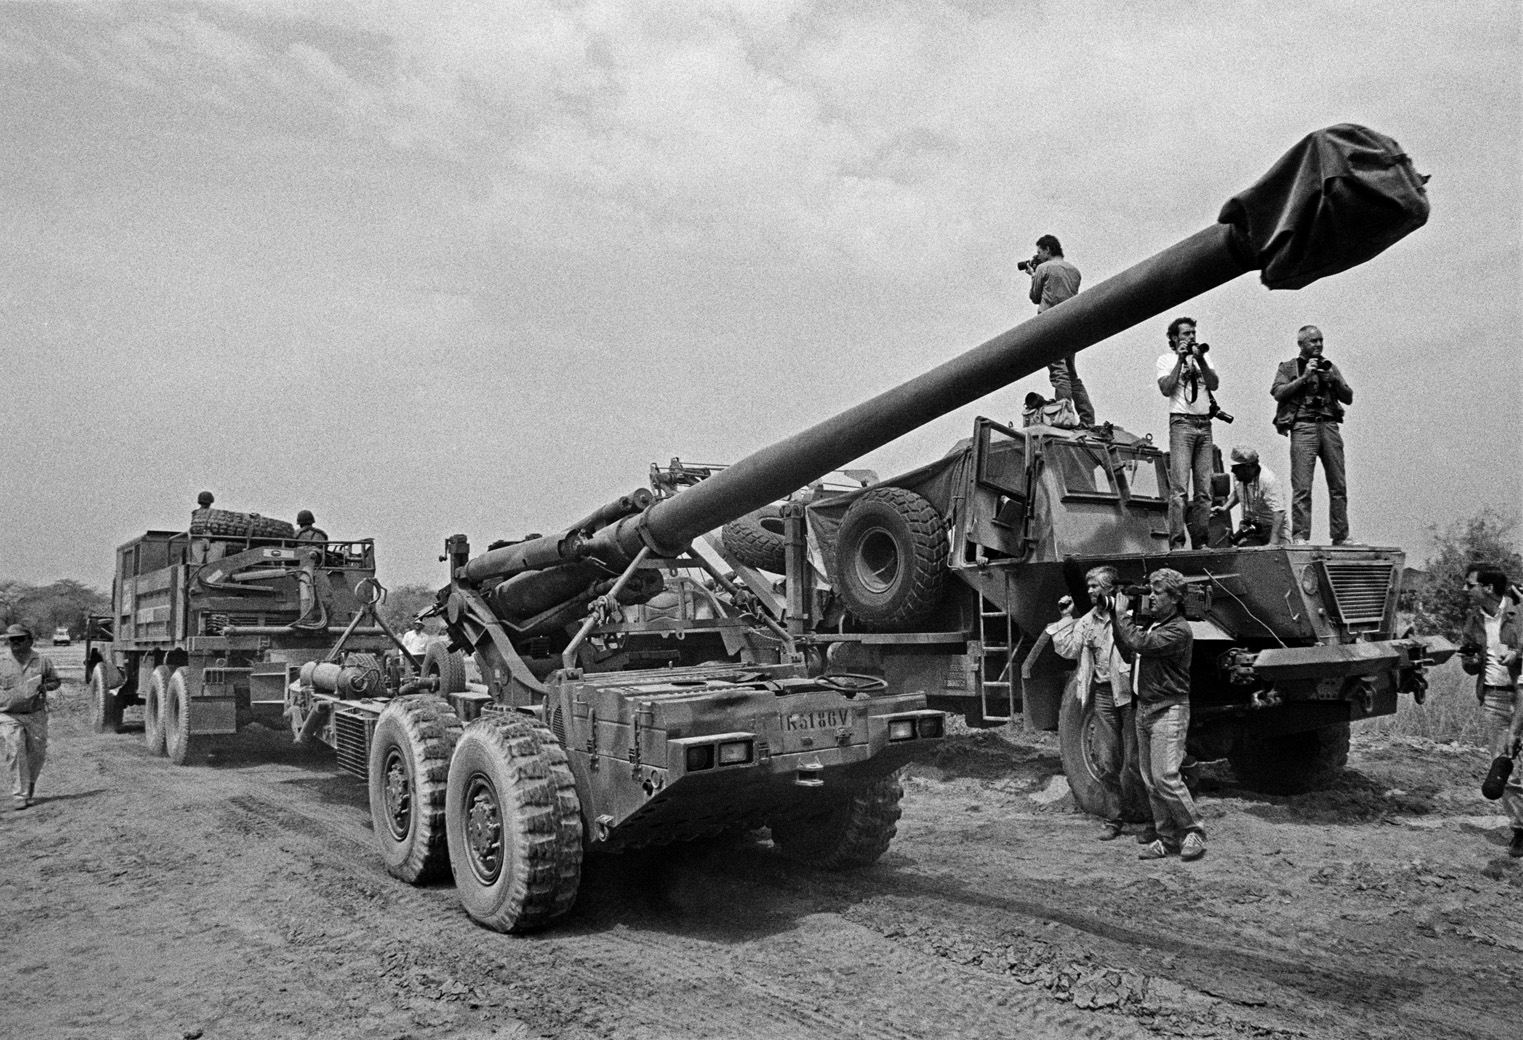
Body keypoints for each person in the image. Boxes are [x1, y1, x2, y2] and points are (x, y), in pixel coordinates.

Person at [1107, 568, 1206, 861]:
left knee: (1166, 777)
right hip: (1146, 709)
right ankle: (1166, 838)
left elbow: (1139, 644)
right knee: (1151, 781)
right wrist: (1116, 616)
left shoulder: (1177, 630)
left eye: (1157, 592)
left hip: (1168, 710)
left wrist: (1123, 615)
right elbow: (1129, 650)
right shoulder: (1153, 625)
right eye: (1150, 590)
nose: (1151, 596)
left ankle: (1194, 832)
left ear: (1175, 598)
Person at [1050, 566, 1142, 840]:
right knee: (1107, 758)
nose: (1089, 591)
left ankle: (1148, 819)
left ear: (1110, 588)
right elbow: (1069, 649)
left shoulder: (1129, 616)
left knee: (1137, 759)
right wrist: (1066, 619)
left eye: (1095, 586)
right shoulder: (1088, 621)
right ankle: (1115, 819)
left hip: (1128, 693)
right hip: (1102, 694)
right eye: (1088, 586)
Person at [1458, 565, 1523, 857]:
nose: (1465, 590)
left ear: (1487, 588)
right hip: (1494, 697)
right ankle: (1520, 830)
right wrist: (1470, 661)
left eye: (1469, 584)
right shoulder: (1474, 620)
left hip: (1521, 693)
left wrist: (1518, 654)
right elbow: (1472, 665)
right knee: (1503, 766)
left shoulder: (1519, 615)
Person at [1271, 325, 1354, 544]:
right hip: (1303, 426)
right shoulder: (1289, 367)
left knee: (1338, 485)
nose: (1318, 345)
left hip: (1328, 425)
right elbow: (1278, 393)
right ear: (1301, 345)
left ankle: (1340, 535)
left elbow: (1348, 397)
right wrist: (1304, 378)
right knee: (1302, 486)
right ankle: (1300, 536)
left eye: (1320, 340)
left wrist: (1333, 379)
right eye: (1312, 341)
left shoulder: (1330, 367)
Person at [1156, 317, 1219, 550]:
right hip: (1181, 423)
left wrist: (1200, 361)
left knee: (1204, 489)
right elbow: (1166, 388)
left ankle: (1201, 541)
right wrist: (1180, 360)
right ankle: (1177, 543)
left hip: (1204, 424)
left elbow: (1213, 384)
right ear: (1174, 338)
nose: (1192, 337)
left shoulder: (1204, 357)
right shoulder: (1166, 359)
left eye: (1193, 333)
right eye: (1186, 334)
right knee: (1180, 488)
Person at [1024, 235, 1095, 426]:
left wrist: (1033, 274)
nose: (1038, 256)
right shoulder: (1074, 271)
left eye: (1039, 252)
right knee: (1071, 374)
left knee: (1058, 372)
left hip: (1049, 326)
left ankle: (1064, 416)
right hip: (1071, 326)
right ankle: (1087, 418)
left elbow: (1035, 297)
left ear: (1047, 250)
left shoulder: (1043, 268)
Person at [0, 625, 61, 810]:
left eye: (20, 639)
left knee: (37, 753)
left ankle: (30, 784)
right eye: (12, 639)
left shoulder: (42, 661)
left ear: (30, 640)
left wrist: (45, 687)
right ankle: (20, 794)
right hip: (9, 714)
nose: (15, 643)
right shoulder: (2, 661)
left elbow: (55, 681)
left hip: (35, 714)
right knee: (16, 750)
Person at [1213, 446, 1288, 546]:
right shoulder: (1239, 475)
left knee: (1276, 557)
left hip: (1273, 528)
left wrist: (1273, 542)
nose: (1232, 471)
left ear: (1248, 467)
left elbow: (1279, 512)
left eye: (1235, 468)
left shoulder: (1268, 480)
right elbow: (1237, 491)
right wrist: (1225, 508)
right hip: (1251, 528)